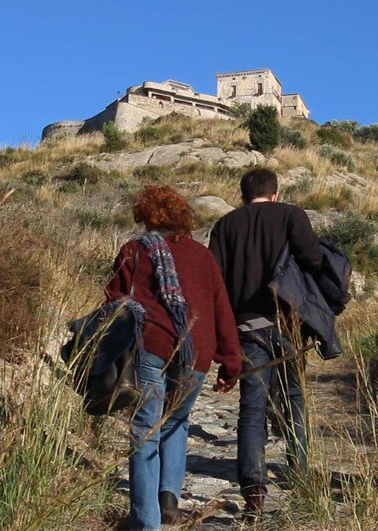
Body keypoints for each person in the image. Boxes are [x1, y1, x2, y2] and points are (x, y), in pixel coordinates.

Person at [105, 185, 243, 531]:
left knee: (144, 430)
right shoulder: (202, 256)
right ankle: (168, 497)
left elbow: (113, 302)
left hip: (150, 349)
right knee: (176, 422)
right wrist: (231, 360)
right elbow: (220, 309)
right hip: (196, 353)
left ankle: (146, 521)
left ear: (147, 217)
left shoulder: (134, 250)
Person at [208, 167, 324, 515]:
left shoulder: (225, 225)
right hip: (288, 322)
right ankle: (299, 470)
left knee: (252, 407)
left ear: (242, 194)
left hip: (246, 327)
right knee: (294, 399)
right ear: (275, 193)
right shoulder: (292, 215)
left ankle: (254, 490)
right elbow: (314, 260)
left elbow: (215, 282)